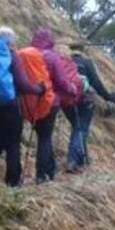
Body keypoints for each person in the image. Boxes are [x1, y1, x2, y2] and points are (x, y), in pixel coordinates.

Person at [0, 27, 46, 190]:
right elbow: (22, 83)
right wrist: (38, 89)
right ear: (11, 40)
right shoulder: (10, 54)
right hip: (9, 105)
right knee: (13, 143)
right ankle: (13, 183)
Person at [27, 28, 78, 183]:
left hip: (30, 101)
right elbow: (62, 81)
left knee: (41, 135)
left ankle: (50, 170)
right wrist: (72, 89)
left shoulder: (27, 55)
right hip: (49, 101)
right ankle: (42, 174)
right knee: (45, 137)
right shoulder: (52, 57)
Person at [66, 42, 115, 170]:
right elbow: (96, 83)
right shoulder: (87, 63)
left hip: (68, 101)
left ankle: (83, 160)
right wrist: (108, 97)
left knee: (77, 128)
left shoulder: (66, 62)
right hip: (85, 100)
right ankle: (73, 160)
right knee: (80, 129)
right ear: (82, 50)